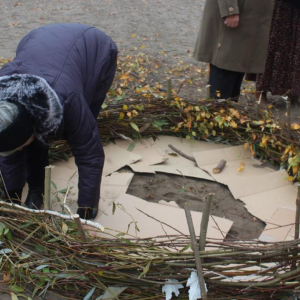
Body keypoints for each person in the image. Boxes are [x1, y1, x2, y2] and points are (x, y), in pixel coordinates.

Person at [0, 23, 118, 220]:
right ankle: (37, 190)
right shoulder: (4, 102)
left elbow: (90, 154)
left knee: (83, 126)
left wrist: (86, 210)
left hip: (95, 49)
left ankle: (40, 188)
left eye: (20, 146)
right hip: (38, 38)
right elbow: (9, 153)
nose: (17, 151)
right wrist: (11, 198)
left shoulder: (69, 101)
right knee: (29, 143)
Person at [193, 0, 274, 100]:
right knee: (226, 63)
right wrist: (230, 10)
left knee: (237, 65)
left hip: (248, 14)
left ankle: (229, 109)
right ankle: (219, 109)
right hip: (236, 12)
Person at [248, 0, 300, 104]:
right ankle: (261, 91)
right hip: (281, 8)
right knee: (273, 45)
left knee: (296, 50)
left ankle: (292, 91)